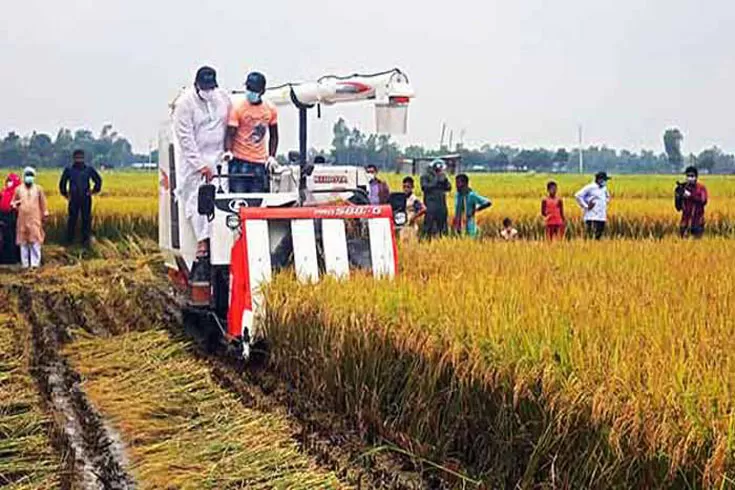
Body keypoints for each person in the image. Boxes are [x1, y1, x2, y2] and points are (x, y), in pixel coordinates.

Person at [172, 66, 231, 281]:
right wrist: (199, 165)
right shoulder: (185, 104)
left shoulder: (222, 98)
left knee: (221, 203)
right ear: (197, 85)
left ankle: (221, 242)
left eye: (211, 87)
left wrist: (227, 151)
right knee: (198, 203)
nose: (208, 91)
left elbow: (231, 124)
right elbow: (185, 139)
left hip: (220, 159)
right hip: (195, 163)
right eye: (204, 87)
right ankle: (202, 246)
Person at [225, 71, 279, 193]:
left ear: (262, 91)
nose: (250, 92)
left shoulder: (270, 109)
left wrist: (272, 156)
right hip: (239, 161)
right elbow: (230, 133)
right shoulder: (238, 108)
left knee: (258, 202)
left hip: (259, 162)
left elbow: (274, 135)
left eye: (253, 89)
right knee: (239, 200)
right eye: (248, 88)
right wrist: (228, 151)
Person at [59, 149, 103, 246]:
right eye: (77, 158)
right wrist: (66, 194)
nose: (79, 160)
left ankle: (85, 242)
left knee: (86, 219)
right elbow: (62, 183)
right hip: (73, 198)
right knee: (72, 219)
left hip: (85, 198)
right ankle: (69, 241)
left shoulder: (89, 169)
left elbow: (98, 180)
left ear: (83, 158)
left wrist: (93, 191)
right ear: (74, 158)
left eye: (80, 157)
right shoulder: (69, 170)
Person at [11, 167, 48, 268]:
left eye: (31, 175)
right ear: (24, 176)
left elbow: (43, 203)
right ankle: (25, 265)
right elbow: (13, 202)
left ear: (34, 177)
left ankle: (35, 265)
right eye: (27, 175)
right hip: (22, 219)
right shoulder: (18, 189)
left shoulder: (38, 189)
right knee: (23, 243)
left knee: (35, 242)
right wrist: (15, 204)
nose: (29, 177)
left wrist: (45, 213)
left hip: (35, 219)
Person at [452, 173, 491, 238]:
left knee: (469, 239)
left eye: (458, 183)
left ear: (464, 183)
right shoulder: (458, 195)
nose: (456, 185)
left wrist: (476, 210)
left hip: (469, 224)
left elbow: (487, 202)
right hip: (458, 224)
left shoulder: (472, 195)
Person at [575, 172, 611, 240]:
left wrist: (604, 203)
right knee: (590, 236)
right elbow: (578, 195)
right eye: (604, 180)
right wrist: (586, 206)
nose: (605, 182)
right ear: (599, 180)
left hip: (602, 217)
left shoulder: (604, 188)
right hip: (591, 217)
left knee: (598, 237)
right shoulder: (590, 187)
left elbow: (607, 197)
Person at [421, 159, 451, 238]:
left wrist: (445, 181)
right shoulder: (425, 176)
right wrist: (436, 181)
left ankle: (442, 240)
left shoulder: (443, 176)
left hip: (441, 205)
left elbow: (449, 188)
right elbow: (424, 187)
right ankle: (426, 239)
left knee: (442, 226)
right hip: (430, 204)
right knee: (428, 225)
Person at [678, 166, 708, 239]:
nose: (689, 178)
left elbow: (703, 201)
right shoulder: (684, 188)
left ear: (696, 177)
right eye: (688, 176)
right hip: (685, 222)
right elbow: (678, 208)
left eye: (692, 176)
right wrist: (678, 196)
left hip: (697, 222)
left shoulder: (701, 188)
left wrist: (690, 195)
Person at [0, 173, 21, 264]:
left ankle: (12, 259)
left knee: (13, 239)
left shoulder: (19, 193)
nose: (9, 183)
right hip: (3, 217)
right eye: (8, 181)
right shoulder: (4, 192)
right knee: (4, 239)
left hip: (14, 217)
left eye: (11, 181)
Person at [400, 176, 426, 243]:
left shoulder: (414, 199)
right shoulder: (402, 198)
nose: (406, 189)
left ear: (412, 187)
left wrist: (414, 217)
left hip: (411, 226)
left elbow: (423, 209)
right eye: (404, 187)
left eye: (408, 187)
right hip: (403, 225)